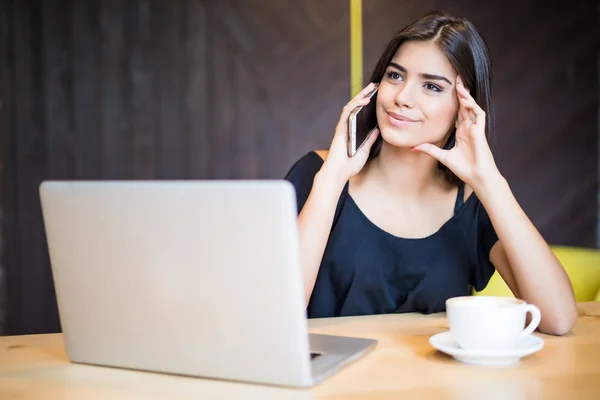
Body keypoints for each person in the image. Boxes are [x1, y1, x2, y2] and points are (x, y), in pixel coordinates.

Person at [284, 11, 577, 335]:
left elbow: (558, 319)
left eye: (431, 87)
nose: (402, 98)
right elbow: (275, 317)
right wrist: (331, 179)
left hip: (436, 385)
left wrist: (488, 180)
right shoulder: (318, 174)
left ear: (463, 110)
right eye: (395, 76)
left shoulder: (472, 204)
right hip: (332, 384)